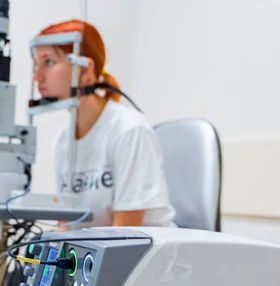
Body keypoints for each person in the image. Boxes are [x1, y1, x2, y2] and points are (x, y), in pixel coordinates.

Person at [32, 19, 175, 229]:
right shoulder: (63, 141)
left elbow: (125, 234)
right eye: (36, 65)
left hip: (150, 258)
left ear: (86, 70)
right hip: (98, 256)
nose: (37, 76)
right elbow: (67, 223)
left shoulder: (129, 130)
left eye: (49, 62)